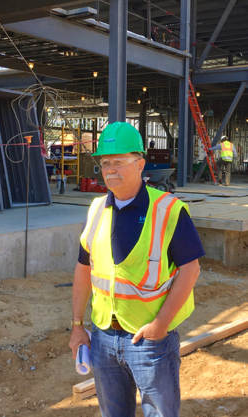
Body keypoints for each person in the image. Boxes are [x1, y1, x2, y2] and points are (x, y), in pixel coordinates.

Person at [69, 121, 205, 417]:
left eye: (119, 161)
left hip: (150, 340)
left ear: (141, 164)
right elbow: (83, 269)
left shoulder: (167, 210)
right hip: (103, 338)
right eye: (105, 162)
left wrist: (161, 325)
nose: (110, 169)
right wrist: (78, 325)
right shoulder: (96, 211)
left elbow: (190, 270)